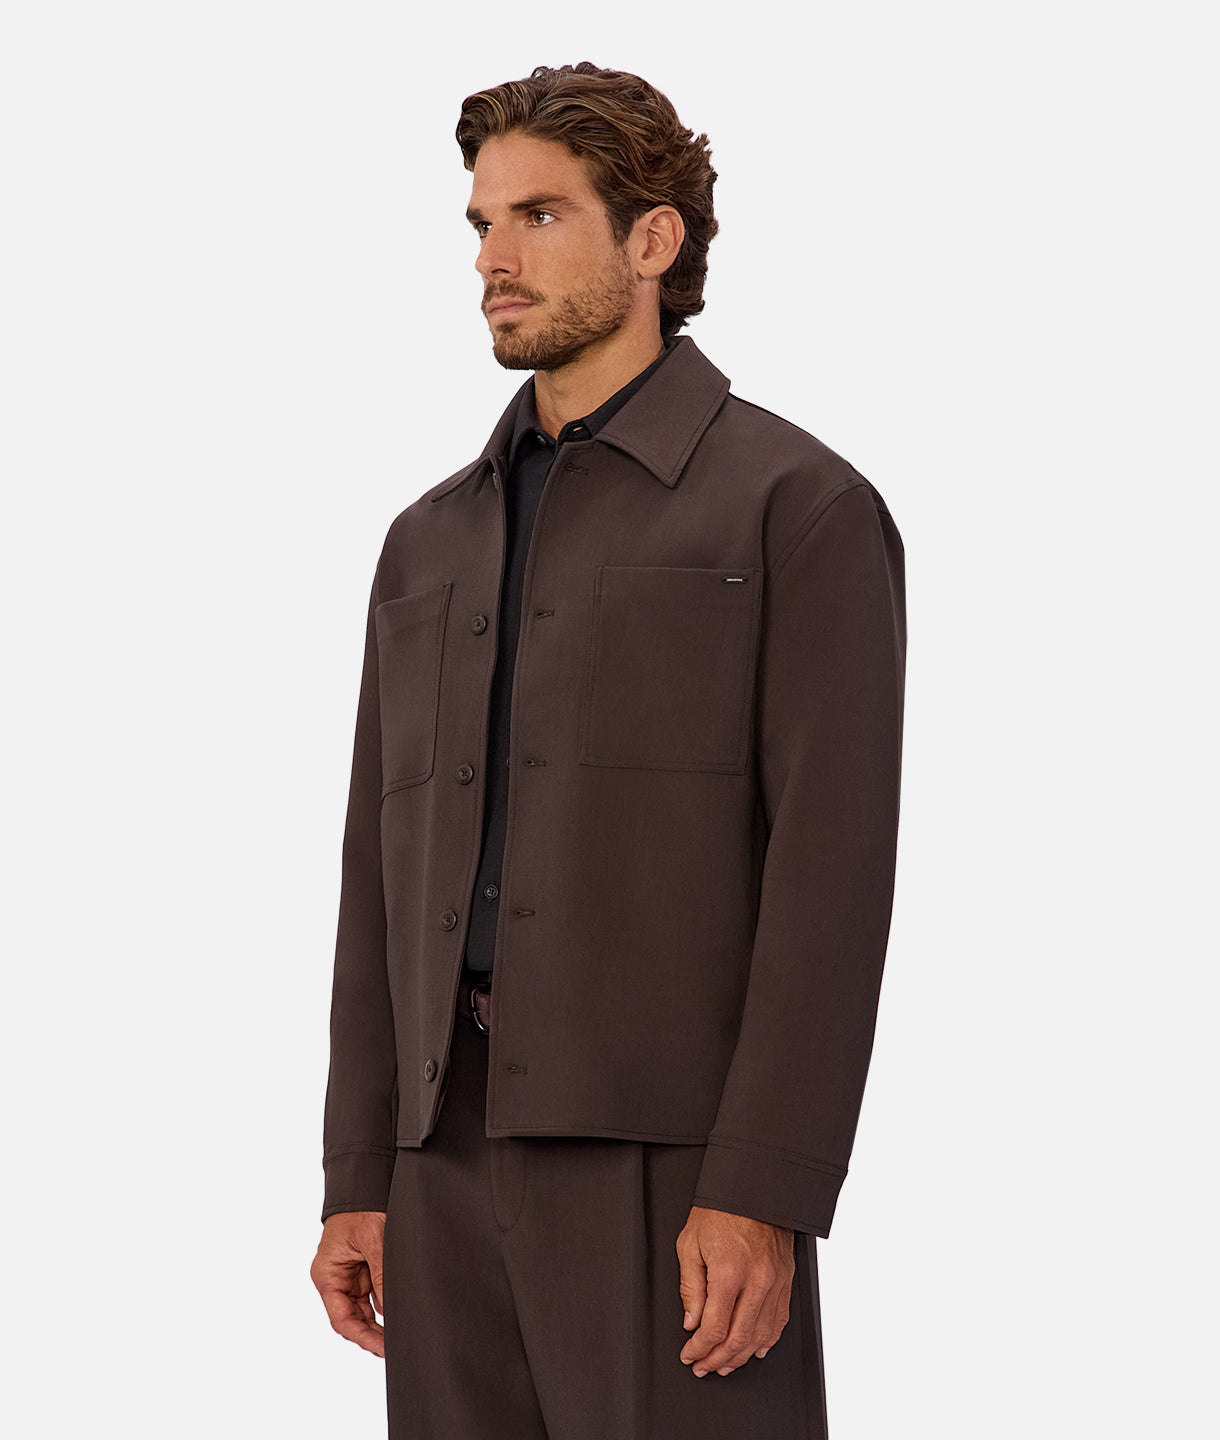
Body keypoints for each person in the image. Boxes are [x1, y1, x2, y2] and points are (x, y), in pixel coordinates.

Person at [310, 61, 906, 1440]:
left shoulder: (798, 510)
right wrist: (359, 1170)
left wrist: (763, 1184)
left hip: (675, 1169)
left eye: (539, 217)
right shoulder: (426, 542)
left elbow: (832, 877)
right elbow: (375, 876)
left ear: (653, 240)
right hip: (440, 1158)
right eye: (481, 224)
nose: (494, 260)